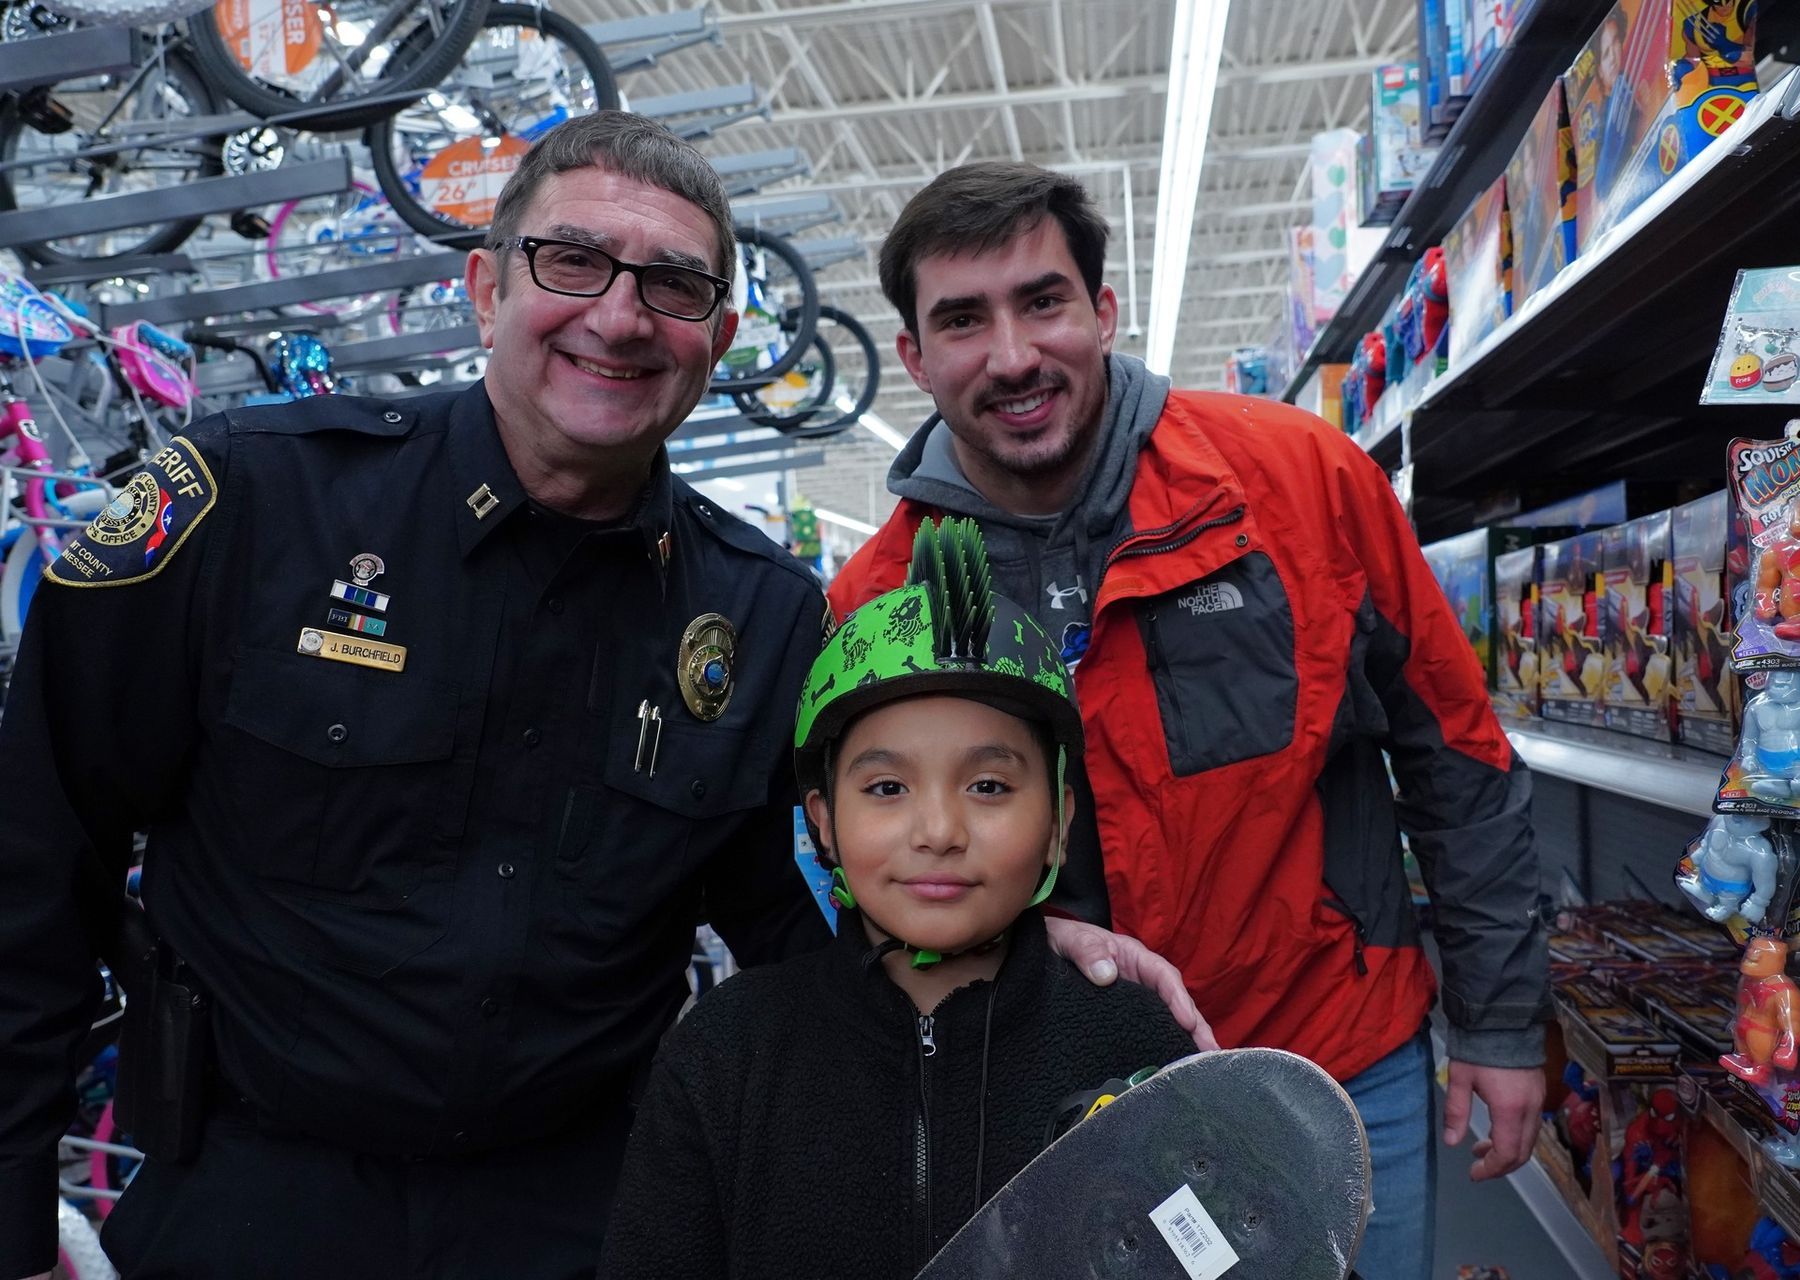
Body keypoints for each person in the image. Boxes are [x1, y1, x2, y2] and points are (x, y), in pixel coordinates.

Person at [0, 117, 1200, 1280]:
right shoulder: (250, 506)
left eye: (673, 288)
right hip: (247, 1197)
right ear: (484, 286)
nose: (620, 318)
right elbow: (31, 861)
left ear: (718, 337)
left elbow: (811, 914)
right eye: (573, 261)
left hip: (590, 1216)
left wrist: (1013, 947)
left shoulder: (764, 616)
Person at [827, 161, 1550, 1280]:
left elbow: (1455, 754)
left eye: (1044, 301)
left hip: (1336, 1059)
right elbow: (860, 881)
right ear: (914, 356)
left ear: (1104, 312)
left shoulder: (1298, 482)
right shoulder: (880, 605)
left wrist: (1502, 1024)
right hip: (1061, 1117)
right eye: (962, 320)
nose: (1012, 354)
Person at [598, 516, 1197, 1279]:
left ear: (1058, 824)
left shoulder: (1136, 1044)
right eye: (886, 787)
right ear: (822, 823)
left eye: (989, 786)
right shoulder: (728, 1058)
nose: (940, 830)